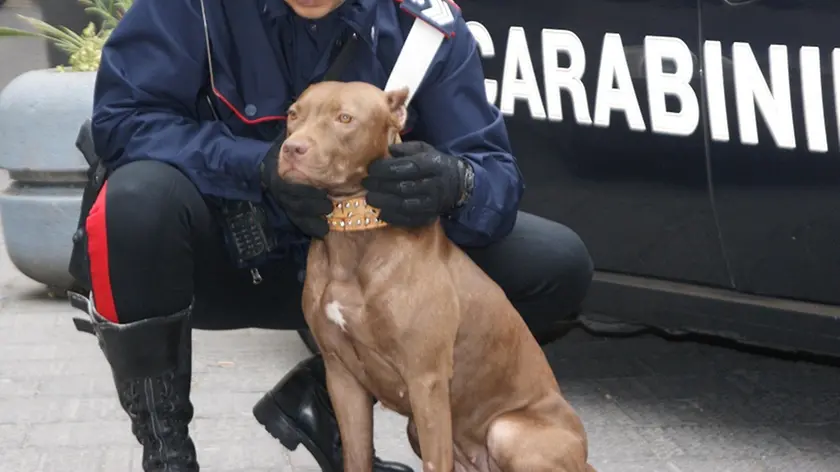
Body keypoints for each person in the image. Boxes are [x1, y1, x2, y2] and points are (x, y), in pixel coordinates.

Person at [67, 0, 595, 471]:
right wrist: (255, 165)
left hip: (379, 268)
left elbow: (495, 173)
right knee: (135, 201)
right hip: (231, 256)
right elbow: (122, 121)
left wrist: (455, 182)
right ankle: (167, 452)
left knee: (553, 264)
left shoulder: (423, 27)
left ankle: (320, 393)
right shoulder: (193, 8)